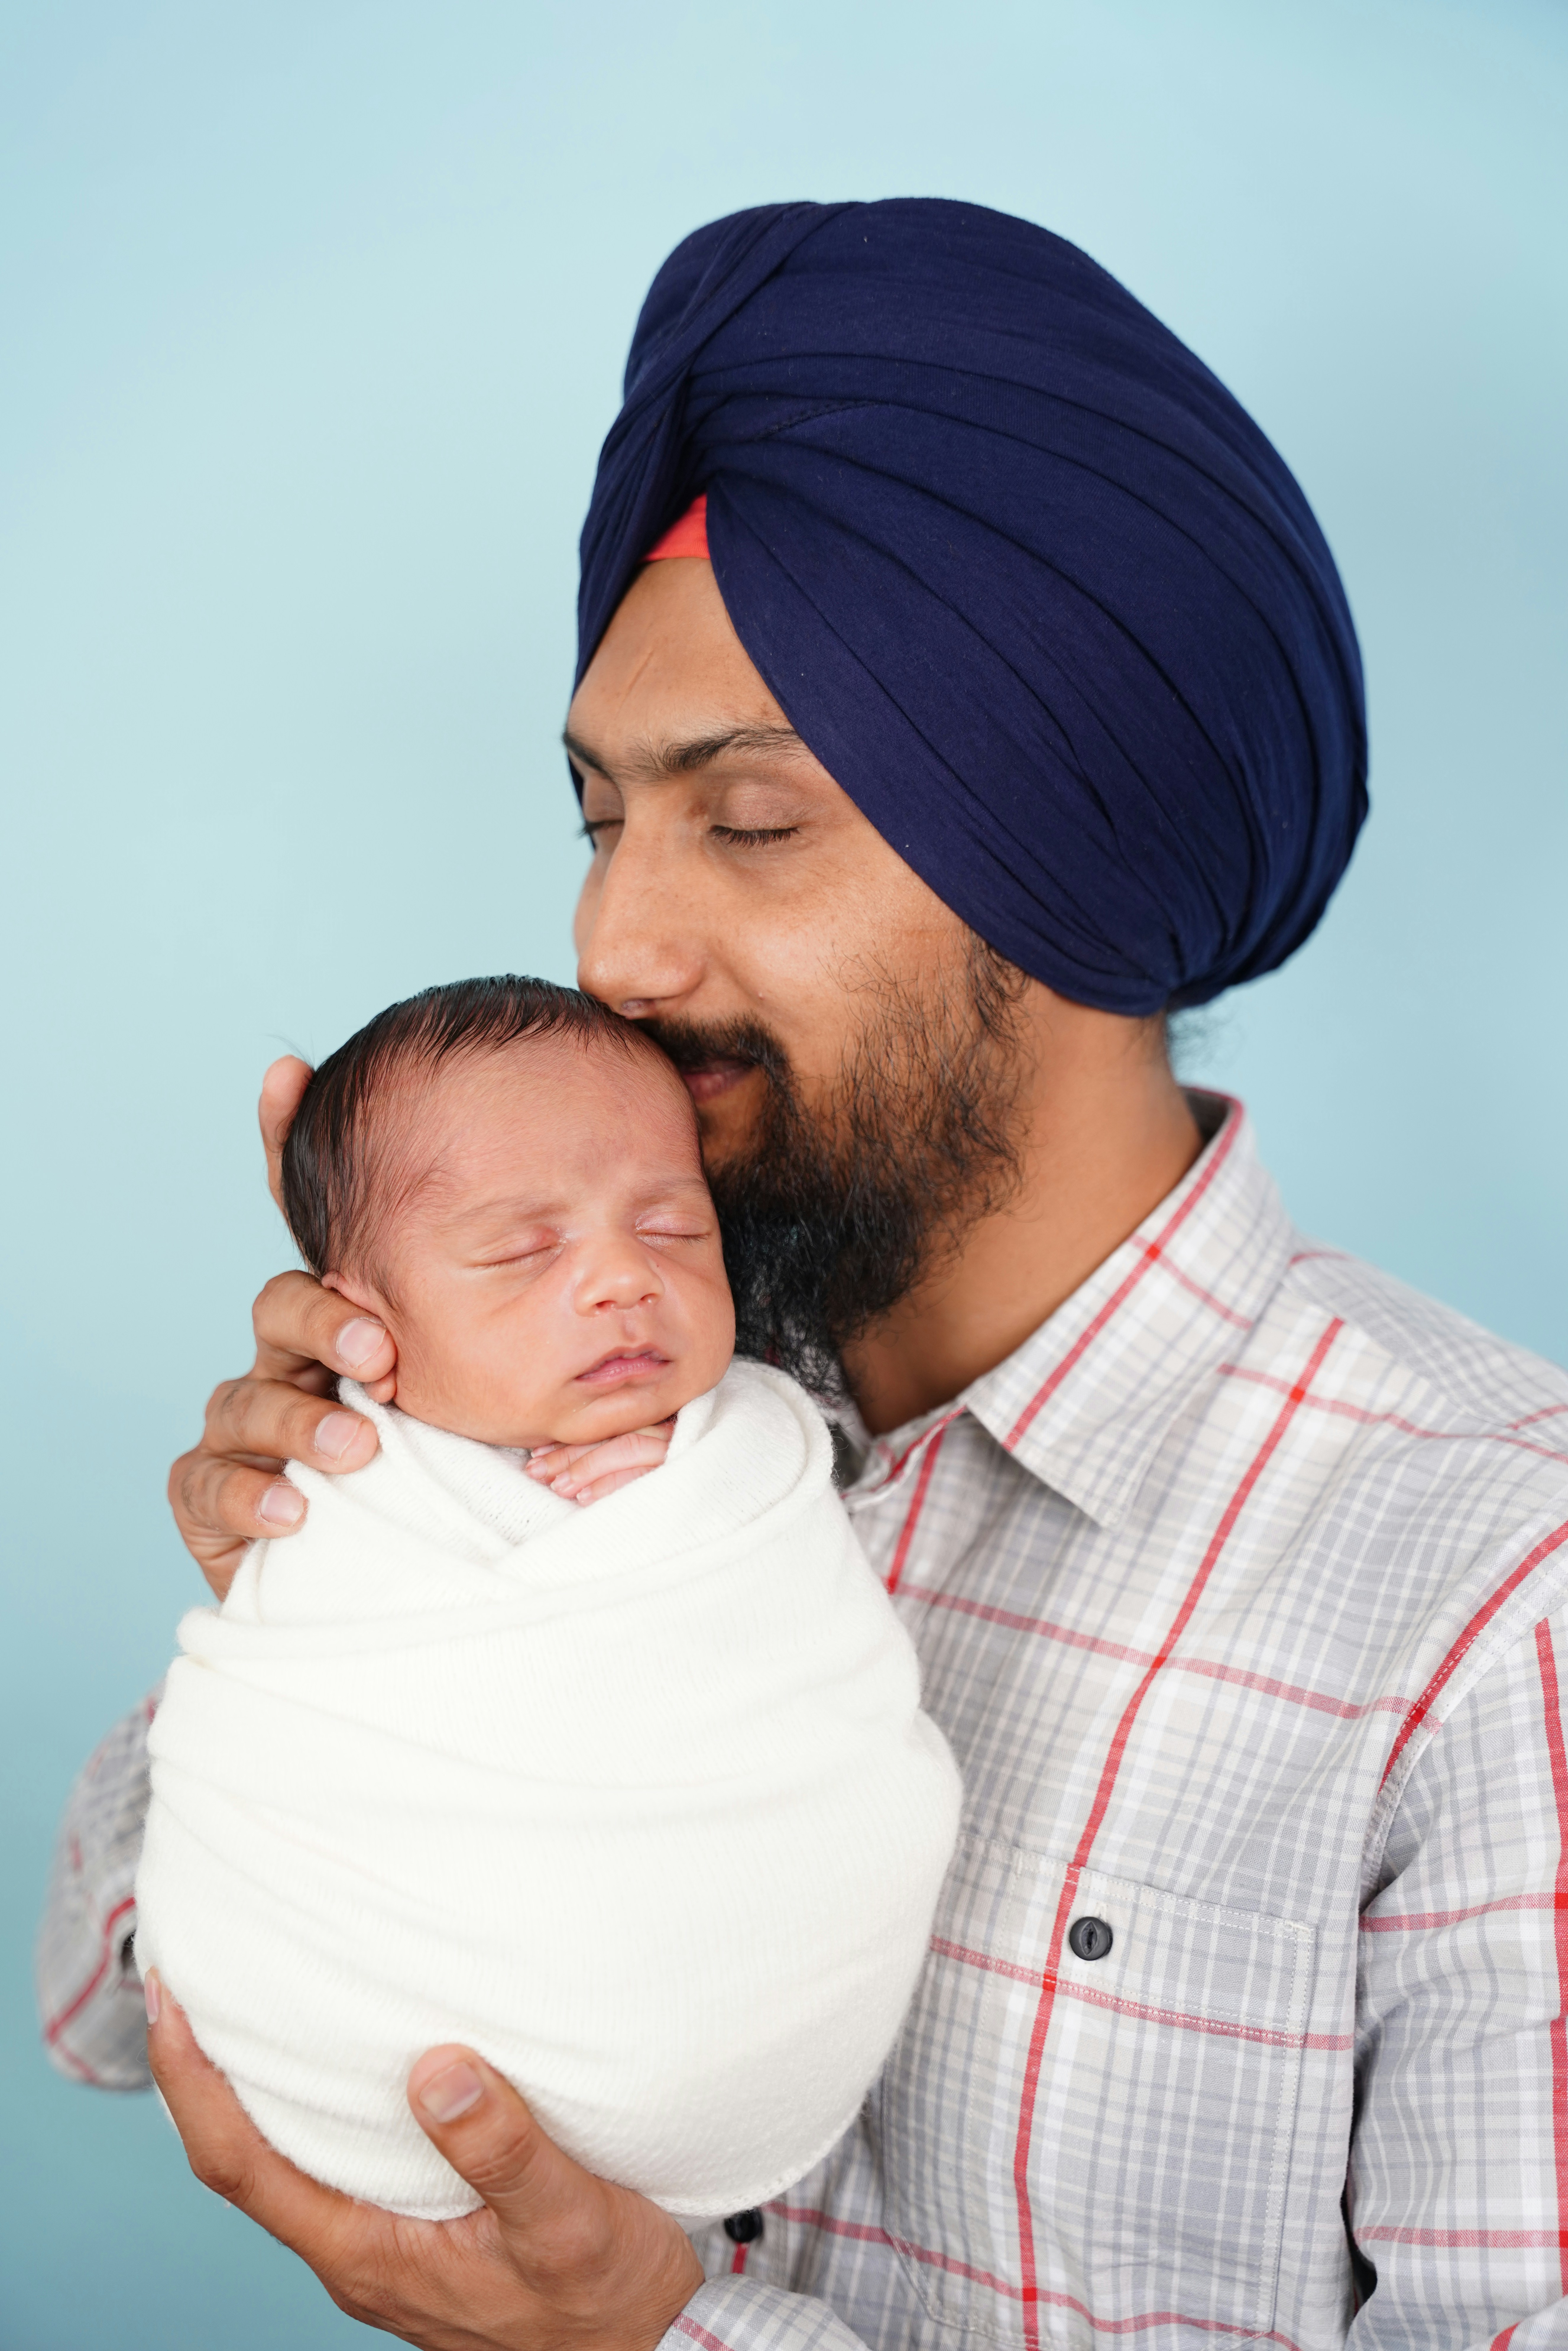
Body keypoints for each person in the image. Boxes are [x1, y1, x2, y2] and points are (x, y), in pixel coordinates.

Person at [37, 199, 1568, 2351]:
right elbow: (112, 2004)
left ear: (1077, 860)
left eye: (746, 822)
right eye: (598, 821)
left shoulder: (1501, 1595)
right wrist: (328, 1547)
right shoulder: (583, 1397)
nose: (614, 949)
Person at [134, 973, 958, 2226]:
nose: (624, 1279)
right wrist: (277, 1585)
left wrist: (689, 1477)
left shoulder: (748, 1441)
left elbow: (779, 1578)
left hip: (728, 2017)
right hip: (351, 2026)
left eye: (677, 1229)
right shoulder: (344, 1476)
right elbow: (277, 1749)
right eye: (525, 1249)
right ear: (364, 1323)